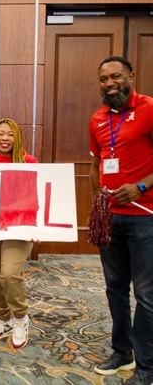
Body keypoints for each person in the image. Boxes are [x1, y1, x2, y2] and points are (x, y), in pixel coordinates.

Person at [89, 56, 153, 385]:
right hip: (111, 218)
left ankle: (147, 367)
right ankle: (121, 351)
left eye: (115, 76)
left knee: (146, 294)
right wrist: (96, 205)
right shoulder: (98, 118)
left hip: (146, 219)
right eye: (103, 79)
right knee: (115, 288)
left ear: (131, 74)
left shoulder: (149, 108)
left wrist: (142, 185)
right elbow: (95, 163)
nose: (109, 83)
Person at [0, 118, 37, 349]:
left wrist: (39, 226)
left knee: (10, 273)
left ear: (17, 137)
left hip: (19, 227)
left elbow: (37, 196)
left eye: (9, 134)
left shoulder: (29, 162)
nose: (5, 138)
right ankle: (3, 318)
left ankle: (21, 319)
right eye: (0, 134)